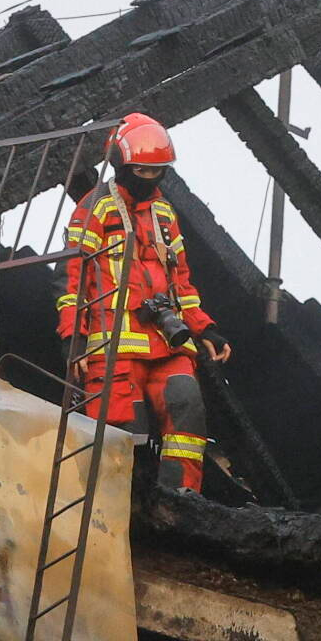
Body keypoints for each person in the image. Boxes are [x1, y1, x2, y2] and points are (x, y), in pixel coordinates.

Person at [57, 113, 227, 492]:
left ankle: (182, 502)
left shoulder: (164, 213)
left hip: (168, 341)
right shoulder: (96, 207)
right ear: (120, 162)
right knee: (120, 431)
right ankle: (120, 507)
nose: (149, 179)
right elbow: (72, 279)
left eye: (157, 172)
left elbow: (180, 278)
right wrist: (75, 339)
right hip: (113, 346)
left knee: (187, 408)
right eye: (142, 171)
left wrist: (205, 327)